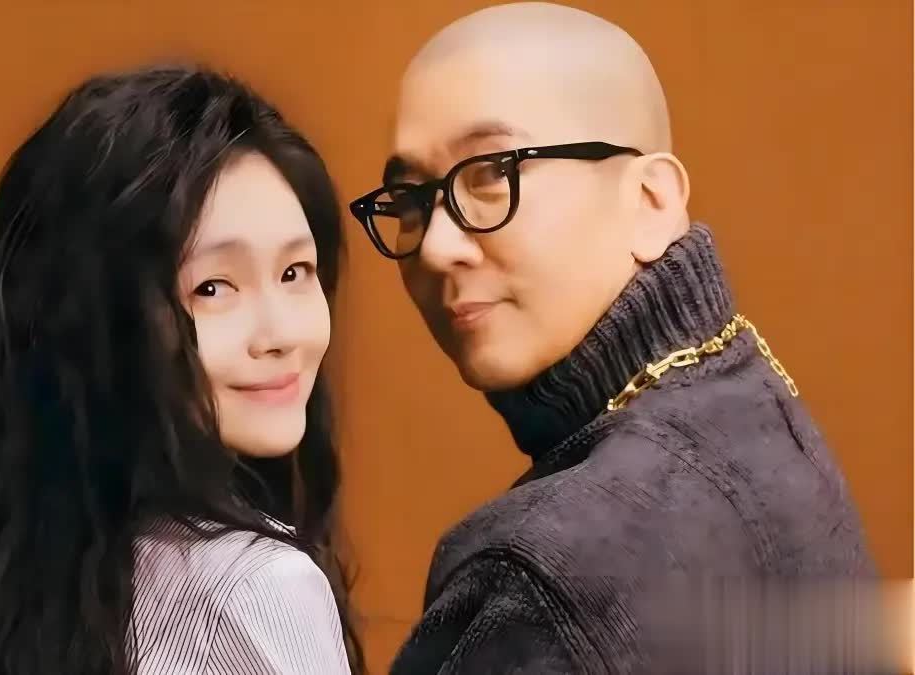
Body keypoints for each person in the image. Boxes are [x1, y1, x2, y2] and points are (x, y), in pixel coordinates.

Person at [350, 3, 877, 672]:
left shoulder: (543, 577)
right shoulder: (753, 397)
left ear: (651, 201)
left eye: (490, 174)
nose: (436, 247)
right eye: (410, 201)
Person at [0, 65, 363, 675]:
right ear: (94, 318)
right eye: (212, 287)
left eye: (295, 272)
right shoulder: (255, 589)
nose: (281, 335)